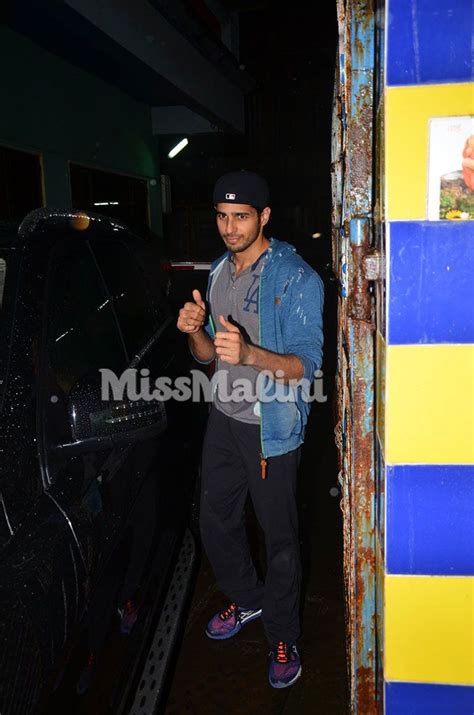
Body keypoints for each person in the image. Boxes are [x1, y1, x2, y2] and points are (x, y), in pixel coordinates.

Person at [177, 170, 324, 689]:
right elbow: (209, 360)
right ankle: (249, 600)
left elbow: (307, 366)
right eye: (221, 216)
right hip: (223, 419)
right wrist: (197, 333)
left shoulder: (296, 278)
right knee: (214, 522)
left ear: (263, 216)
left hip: (272, 428)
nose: (229, 227)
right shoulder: (219, 273)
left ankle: (284, 634)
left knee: (279, 539)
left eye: (240, 217)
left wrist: (251, 353)